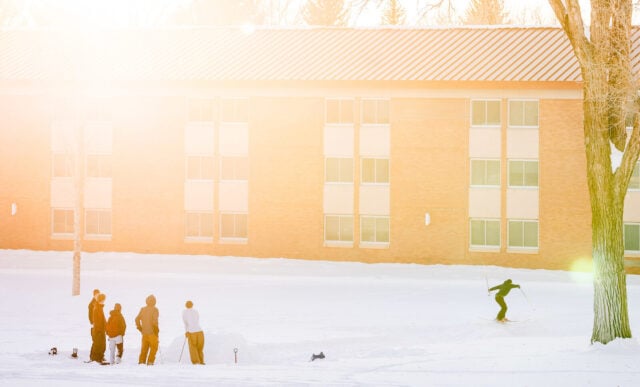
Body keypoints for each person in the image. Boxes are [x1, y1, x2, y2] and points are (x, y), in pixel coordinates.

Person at [135, 294, 159, 365]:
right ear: (154, 302)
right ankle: (150, 362)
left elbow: (137, 319)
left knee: (144, 349)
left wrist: (139, 327)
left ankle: (141, 362)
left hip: (144, 333)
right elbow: (155, 321)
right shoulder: (155, 309)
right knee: (154, 348)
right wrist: (156, 330)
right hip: (152, 332)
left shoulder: (143, 309)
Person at [182, 300, 205, 365]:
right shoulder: (195, 311)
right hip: (200, 331)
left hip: (192, 332)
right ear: (192, 305)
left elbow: (186, 323)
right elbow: (197, 320)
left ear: (186, 305)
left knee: (193, 348)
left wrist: (186, 332)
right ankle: (201, 361)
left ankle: (196, 362)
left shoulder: (184, 312)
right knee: (200, 348)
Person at [91, 293, 107, 362]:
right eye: (103, 299)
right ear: (101, 299)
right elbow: (97, 320)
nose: (104, 301)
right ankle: (96, 358)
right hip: (98, 330)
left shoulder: (99, 307)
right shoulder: (97, 308)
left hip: (100, 329)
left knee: (102, 345)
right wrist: (100, 330)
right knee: (98, 344)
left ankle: (100, 357)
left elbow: (102, 319)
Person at [88, 289, 100, 361]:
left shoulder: (97, 303)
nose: (98, 296)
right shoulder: (92, 304)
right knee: (95, 341)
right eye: (97, 295)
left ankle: (97, 356)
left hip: (98, 325)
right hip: (94, 325)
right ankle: (92, 357)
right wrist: (93, 322)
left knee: (98, 341)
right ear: (94, 295)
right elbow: (90, 315)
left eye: (99, 294)